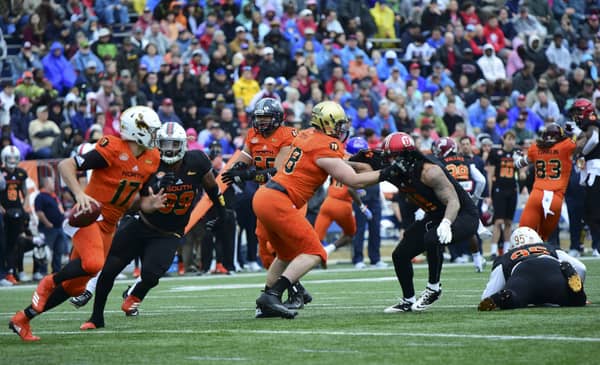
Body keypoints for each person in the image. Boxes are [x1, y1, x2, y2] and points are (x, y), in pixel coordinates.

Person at [8, 106, 162, 341]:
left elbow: (133, 200)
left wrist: (149, 204)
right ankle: (49, 281)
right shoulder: (112, 148)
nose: (154, 135)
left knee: (75, 287)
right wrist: (79, 194)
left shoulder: (152, 158)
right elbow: (65, 166)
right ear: (136, 130)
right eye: (151, 130)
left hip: (110, 224)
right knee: (92, 264)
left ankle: (23, 319)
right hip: (90, 215)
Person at [251, 101, 392, 319]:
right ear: (326, 124)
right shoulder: (326, 145)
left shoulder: (307, 135)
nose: (341, 130)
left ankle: (266, 301)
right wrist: (389, 173)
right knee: (315, 252)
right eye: (337, 125)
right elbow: (353, 180)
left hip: (264, 197)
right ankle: (274, 295)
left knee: (286, 255)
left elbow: (329, 159)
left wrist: (355, 160)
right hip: (279, 200)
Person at [80, 122, 227, 329]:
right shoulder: (150, 162)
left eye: (174, 144)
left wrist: (221, 211)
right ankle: (96, 317)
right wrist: (156, 187)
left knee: (151, 275)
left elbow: (213, 188)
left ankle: (134, 294)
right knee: (110, 269)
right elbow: (133, 199)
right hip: (141, 222)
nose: (168, 149)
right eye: (164, 144)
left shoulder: (197, 161)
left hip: (169, 232)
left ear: (184, 145)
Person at [376, 132, 479, 313]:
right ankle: (408, 300)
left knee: (433, 238)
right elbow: (361, 176)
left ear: (404, 155)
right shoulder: (399, 170)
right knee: (400, 254)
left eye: (393, 156)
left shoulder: (429, 170)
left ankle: (434, 288)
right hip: (435, 215)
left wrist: (446, 222)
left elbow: (454, 202)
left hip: (461, 214)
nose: (390, 161)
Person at [221, 98, 308, 303]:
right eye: (259, 118)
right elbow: (244, 158)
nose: (261, 122)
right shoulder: (253, 135)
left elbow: (278, 173)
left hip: (289, 195)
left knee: (282, 246)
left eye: (266, 117)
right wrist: (233, 170)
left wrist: (248, 175)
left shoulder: (288, 136)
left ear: (278, 118)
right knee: (264, 250)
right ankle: (297, 290)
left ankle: (291, 293)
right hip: (266, 198)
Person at [478, 227, 586, 310]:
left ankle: (507, 296)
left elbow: (487, 296)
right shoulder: (549, 247)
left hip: (523, 276)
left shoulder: (506, 257)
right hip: (552, 269)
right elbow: (581, 268)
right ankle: (573, 285)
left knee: (515, 298)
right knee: (577, 300)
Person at [431, 137, 488, 272]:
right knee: (470, 231)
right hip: (466, 199)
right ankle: (477, 260)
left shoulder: (440, 163)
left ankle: (446, 257)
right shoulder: (467, 161)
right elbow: (481, 181)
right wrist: (475, 197)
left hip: (449, 200)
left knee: (441, 226)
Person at [514, 124, 576, 240]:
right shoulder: (565, 146)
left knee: (523, 234)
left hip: (536, 195)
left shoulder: (535, 148)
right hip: (555, 198)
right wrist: (570, 132)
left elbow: (518, 164)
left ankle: (519, 256)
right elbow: (578, 141)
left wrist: (516, 158)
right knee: (543, 238)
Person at [314, 137, 372, 257]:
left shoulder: (340, 159)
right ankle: (329, 249)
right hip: (343, 205)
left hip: (328, 202)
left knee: (316, 238)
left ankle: (315, 258)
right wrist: (362, 206)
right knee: (350, 234)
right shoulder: (356, 165)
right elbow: (351, 188)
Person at [569, 99, 600, 256]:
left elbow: (594, 139)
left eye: (577, 112)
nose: (576, 115)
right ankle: (592, 244)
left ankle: (598, 246)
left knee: (595, 209)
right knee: (587, 210)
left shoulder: (592, 119)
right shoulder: (582, 125)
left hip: (595, 169)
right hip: (587, 169)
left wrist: (581, 152)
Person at [486, 130, 521, 257]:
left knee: (508, 222)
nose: (511, 141)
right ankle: (494, 250)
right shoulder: (496, 153)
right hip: (499, 190)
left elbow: (522, 175)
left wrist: (521, 164)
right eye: (509, 138)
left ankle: (506, 250)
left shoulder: (516, 153)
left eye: (513, 139)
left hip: (512, 189)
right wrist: (489, 195)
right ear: (503, 139)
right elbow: (490, 175)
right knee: (498, 221)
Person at [0, 146, 28, 284]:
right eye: (9, 158)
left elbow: (25, 192)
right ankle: (5, 273)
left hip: (17, 211)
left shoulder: (21, 173)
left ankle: (12, 272)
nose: (12, 160)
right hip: (4, 211)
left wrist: (25, 206)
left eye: (14, 158)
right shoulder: (1, 173)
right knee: (3, 243)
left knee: (14, 243)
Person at [34, 177, 66, 275]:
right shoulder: (40, 197)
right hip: (47, 228)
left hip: (58, 227)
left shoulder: (53, 196)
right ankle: (41, 271)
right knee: (44, 251)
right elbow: (39, 212)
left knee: (58, 251)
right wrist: (47, 223)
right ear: (46, 184)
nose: (53, 184)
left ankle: (56, 271)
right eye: (51, 182)